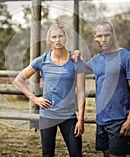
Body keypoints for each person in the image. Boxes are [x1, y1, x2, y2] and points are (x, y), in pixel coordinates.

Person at [14, 23, 86, 157]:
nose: (58, 40)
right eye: (54, 37)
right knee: (47, 154)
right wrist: (34, 98)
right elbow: (19, 79)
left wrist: (81, 118)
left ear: (66, 38)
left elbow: (81, 91)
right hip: (47, 116)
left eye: (61, 36)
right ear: (49, 41)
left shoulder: (76, 61)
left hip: (69, 116)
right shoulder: (42, 60)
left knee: (76, 153)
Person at [74, 21, 130, 157]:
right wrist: (77, 55)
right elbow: (80, 69)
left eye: (107, 35)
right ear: (95, 38)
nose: (103, 39)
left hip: (119, 119)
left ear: (114, 35)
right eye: (99, 36)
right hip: (101, 119)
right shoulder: (97, 59)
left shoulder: (128, 57)